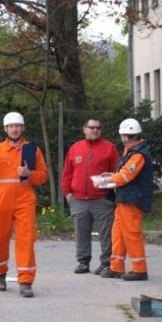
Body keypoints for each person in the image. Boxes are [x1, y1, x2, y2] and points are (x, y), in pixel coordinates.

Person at [0, 111, 49, 298]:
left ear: (23, 128)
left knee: (26, 240)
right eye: (11, 126)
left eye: (18, 126)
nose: (14, 129)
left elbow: (43, 176)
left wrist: (30, 174)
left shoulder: (32, 149)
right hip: (1, 200)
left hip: (25, 200)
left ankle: (26, 281)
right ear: (6, 129)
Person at [96, 118, 153, 281]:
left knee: (131, 234)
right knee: (118, 233)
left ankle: (139, 270)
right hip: (125, 200)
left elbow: (125, 176)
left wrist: (106, 180)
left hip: (132, 201)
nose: (123, 139)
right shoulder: (131, 151)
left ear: (127, 136)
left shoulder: (138, 154)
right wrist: (111, 175)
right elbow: (122, 172)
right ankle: (116, 267)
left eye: (124, 136)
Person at [61, 118, 119, 275]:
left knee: (106, 233)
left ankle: (106, 263)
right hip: (78, 199)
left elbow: (118, 172)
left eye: (98, 128)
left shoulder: (109, 148)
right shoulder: (75, 148)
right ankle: (83, 261)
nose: (95, 130)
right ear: (84, 129)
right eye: (92, 127)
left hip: (102, 199)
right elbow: (67, 172)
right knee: (81, 233)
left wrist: (113, 194)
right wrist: (68, 194)